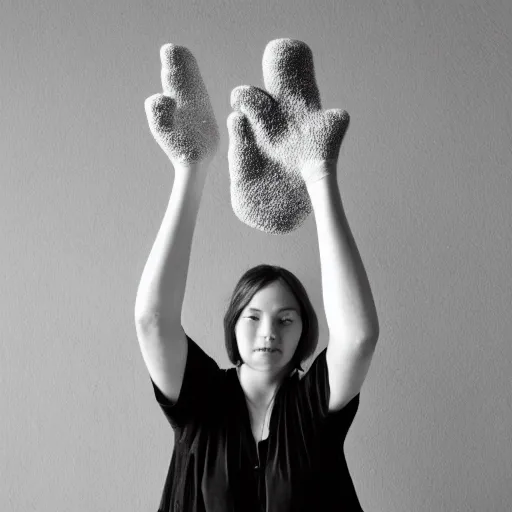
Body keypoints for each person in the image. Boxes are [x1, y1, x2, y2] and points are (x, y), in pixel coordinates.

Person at [135, 42, 380, 512]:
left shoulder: (313, 408)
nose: (269, 331)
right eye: (254, 317)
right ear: (233, 324)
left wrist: (319, 173)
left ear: (304, 329)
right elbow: (151, 319)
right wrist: (191, 169)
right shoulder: (199, 401)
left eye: (286, 319)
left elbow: (359, 337)